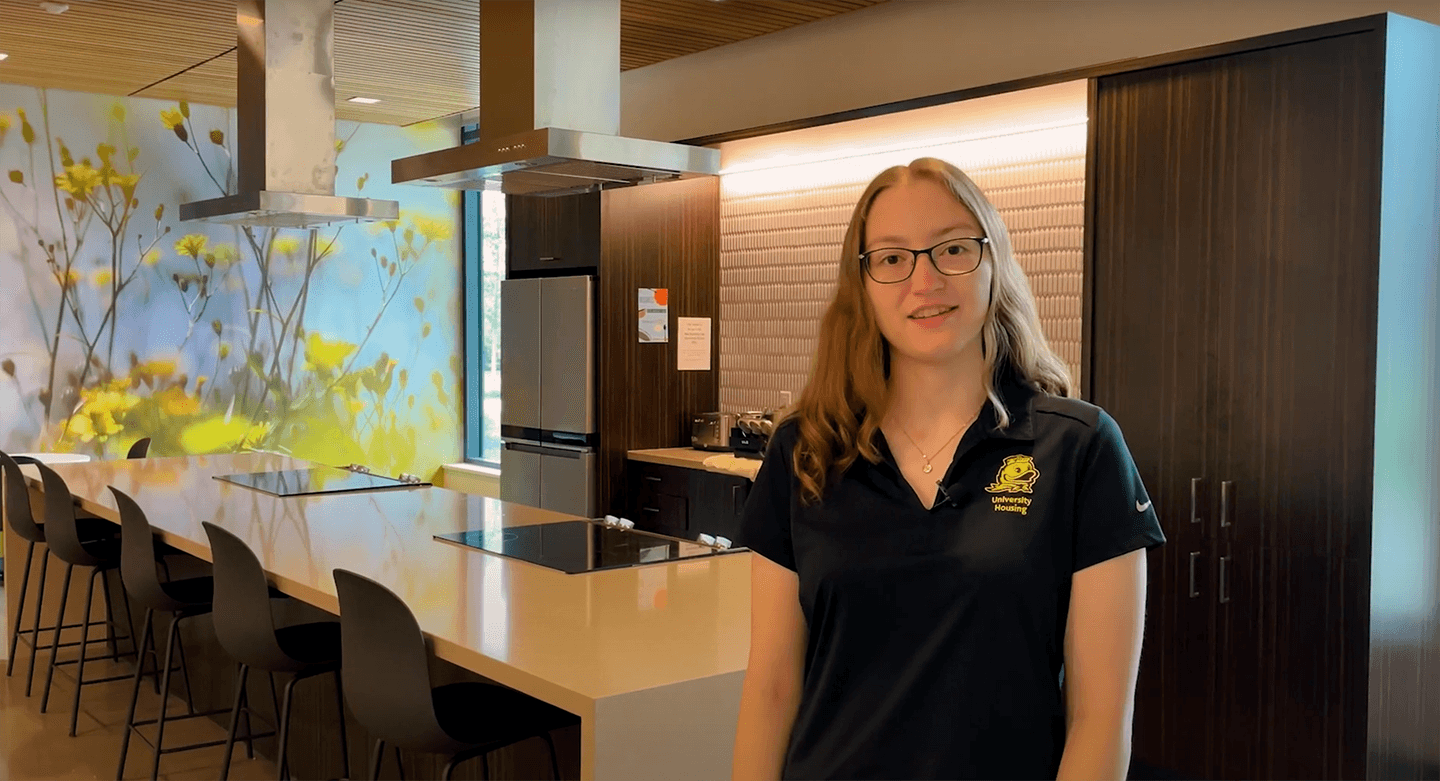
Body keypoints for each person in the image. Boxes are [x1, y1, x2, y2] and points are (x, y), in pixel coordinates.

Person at [730, 157, 1166, 781]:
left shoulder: (1079, 449)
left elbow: (1099, 717)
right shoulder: (806, 449)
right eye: (891, 258)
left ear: (993, 263)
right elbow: (772, 686)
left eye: (953, 249)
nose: (924, 280)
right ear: (863, 285)